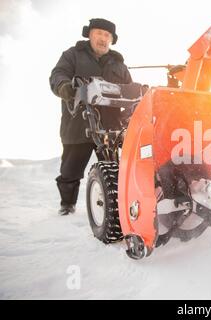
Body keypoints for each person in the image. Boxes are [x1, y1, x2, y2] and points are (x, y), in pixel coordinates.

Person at [49, 18, 132, 215]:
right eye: (99, 33)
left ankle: (114, 205)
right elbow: (58, 74)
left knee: (113, 169)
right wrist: (64, 86)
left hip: (110, 127)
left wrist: (129, 117)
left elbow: (130, 92)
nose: (102, 38)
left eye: (107, 35)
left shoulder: (119, 64)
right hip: (78, 123)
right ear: (89, 34)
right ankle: (67, 205)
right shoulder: (72, 55)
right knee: (71, 169)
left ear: (111, 40)